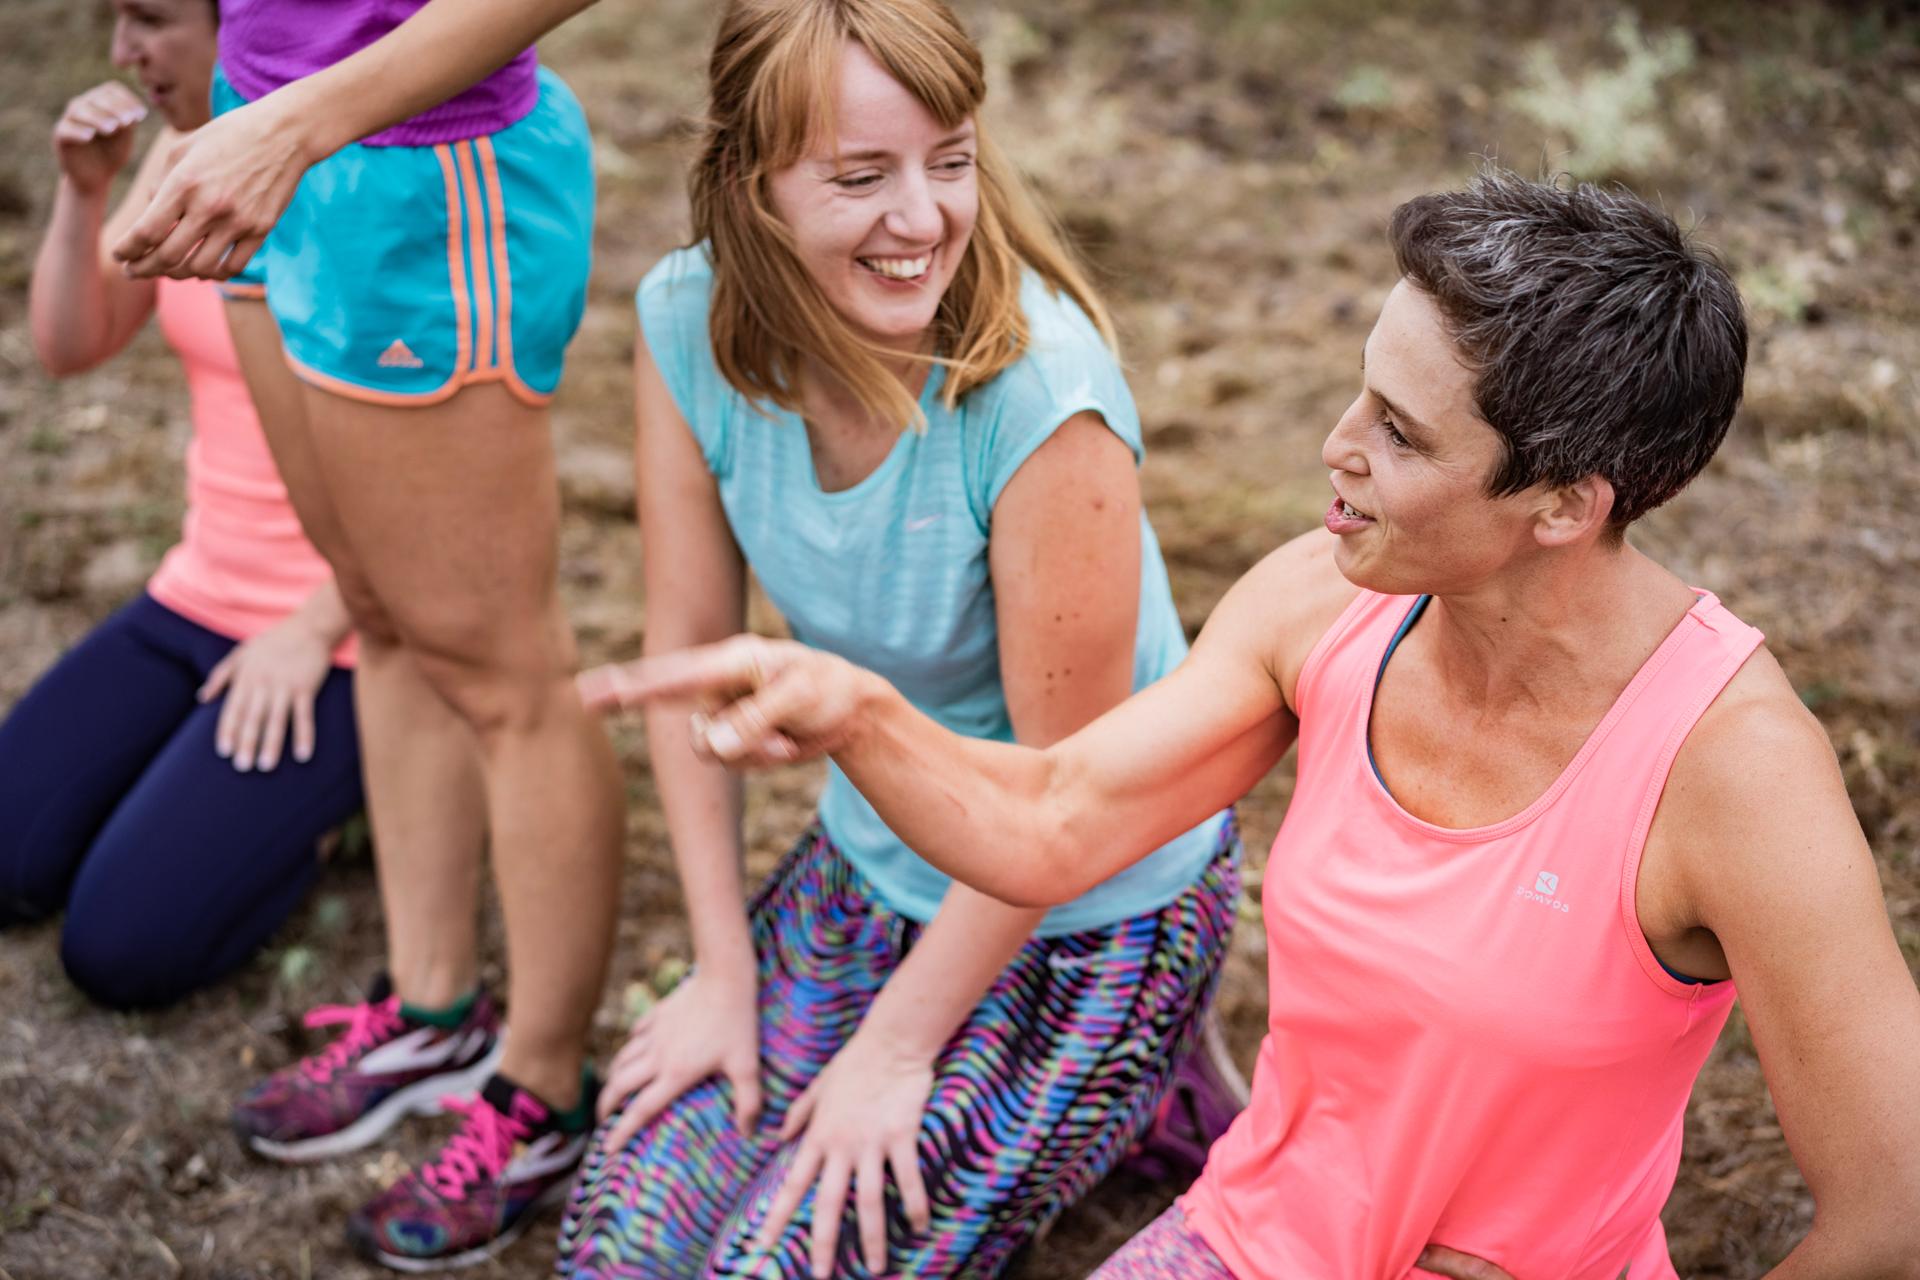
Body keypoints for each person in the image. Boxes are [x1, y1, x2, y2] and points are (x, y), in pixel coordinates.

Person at [584, 171, 1920, 1279]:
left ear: (1565, 504)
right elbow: (1053, 824)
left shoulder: (1735, 772)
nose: (1335, 447)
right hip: (1253, 1240)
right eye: (1360, 391)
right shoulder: (1325, 603)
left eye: (1396, 434)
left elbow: (1891, 1210)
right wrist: (858, 716)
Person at [555, 2, 1242, 1276]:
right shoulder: (683, 320)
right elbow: (684, 645)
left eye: (951, 160)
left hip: (1080, 903)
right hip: (877, 858)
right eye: (861, 176)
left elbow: (1057, 808)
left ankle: (1156, 1077)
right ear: (750, 186)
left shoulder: (1046, 402)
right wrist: (721, 972)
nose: (921, 217)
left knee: (785, 1265)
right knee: (622, 1246)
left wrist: (897, 1046)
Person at [108, 0, 622, 1269]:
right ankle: (433, 1009)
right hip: (257, 137)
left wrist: (303, 119)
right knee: (381, 612)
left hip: (422, 170)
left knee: (506, 676)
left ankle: (542, 1094)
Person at [2, 0, 363, 1011]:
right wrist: (87, 195)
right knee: (8, 860)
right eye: (115, 20)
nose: (125, 52)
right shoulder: (181, 151)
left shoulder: (353, 162)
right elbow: (73, 344)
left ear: (242, 19)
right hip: (197, 593)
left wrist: (318, 622)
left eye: (152, 19)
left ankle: (356, 800)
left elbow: (455, 463)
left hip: (340, 632)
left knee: (119, 950)